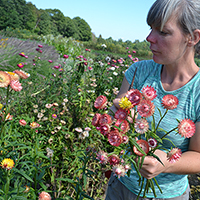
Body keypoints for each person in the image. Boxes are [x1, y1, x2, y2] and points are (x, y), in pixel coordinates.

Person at [105, 0, 200, 199]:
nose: (149, 38)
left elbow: (198, 156)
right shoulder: (139, 71)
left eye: (163, 32)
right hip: (120, 186)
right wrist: (117, 115)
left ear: (192, 37)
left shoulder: (197, 92)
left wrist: (164, 163)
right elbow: (117, 109)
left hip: (167, 195)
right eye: (151, 29)